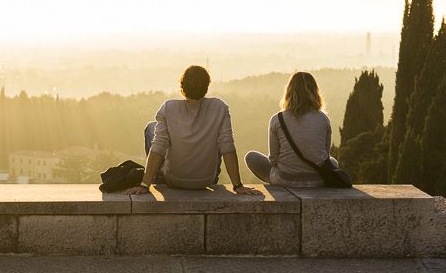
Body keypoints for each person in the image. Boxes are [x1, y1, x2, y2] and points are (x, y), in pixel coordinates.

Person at [125, 65, 260, 195]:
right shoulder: (219, 107)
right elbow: (227, 147)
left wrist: (144, 185)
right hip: (206, 179)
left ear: (182, 86)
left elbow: (158, 147)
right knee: (218, 137)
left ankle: (155, 177)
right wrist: (238, 185)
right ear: (206, 87)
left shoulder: (168, 108)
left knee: (151, 128)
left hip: (173, 179)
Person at [245, 71, 338, 187]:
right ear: (315, 92)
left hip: (285, 180)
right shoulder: (323, 119)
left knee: (251, 157)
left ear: (289, 92)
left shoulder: (277, 119)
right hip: (317, 181)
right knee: (334, 162)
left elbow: (273, 159)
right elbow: (325, 157)